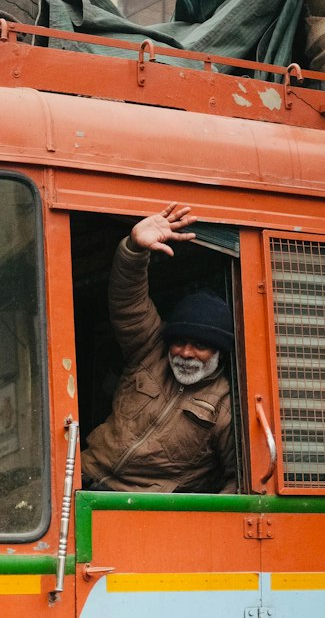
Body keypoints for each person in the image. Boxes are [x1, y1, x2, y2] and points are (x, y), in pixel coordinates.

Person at [81, 203, 237, 493]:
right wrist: (134, 251)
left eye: (200, 346)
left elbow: (236, 481)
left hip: (140, 510)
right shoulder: (149, 352)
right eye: (179, 342)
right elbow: (129, 304)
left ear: (219, 351)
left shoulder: (225, 405)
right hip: (84, 478)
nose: (186, 353)